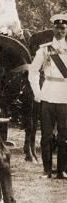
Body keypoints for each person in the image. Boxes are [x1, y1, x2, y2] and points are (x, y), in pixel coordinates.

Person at [28, 13, 67, 179]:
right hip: (48, 94)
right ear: (53, 29)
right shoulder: (45, 49)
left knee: (65, 136)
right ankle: (47, 170)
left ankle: (63, 170)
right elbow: (33, 71)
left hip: (65, 96)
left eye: (63, 28)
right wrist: (37, 92)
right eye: (57, 28)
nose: (60, 31)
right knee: (46, 135)